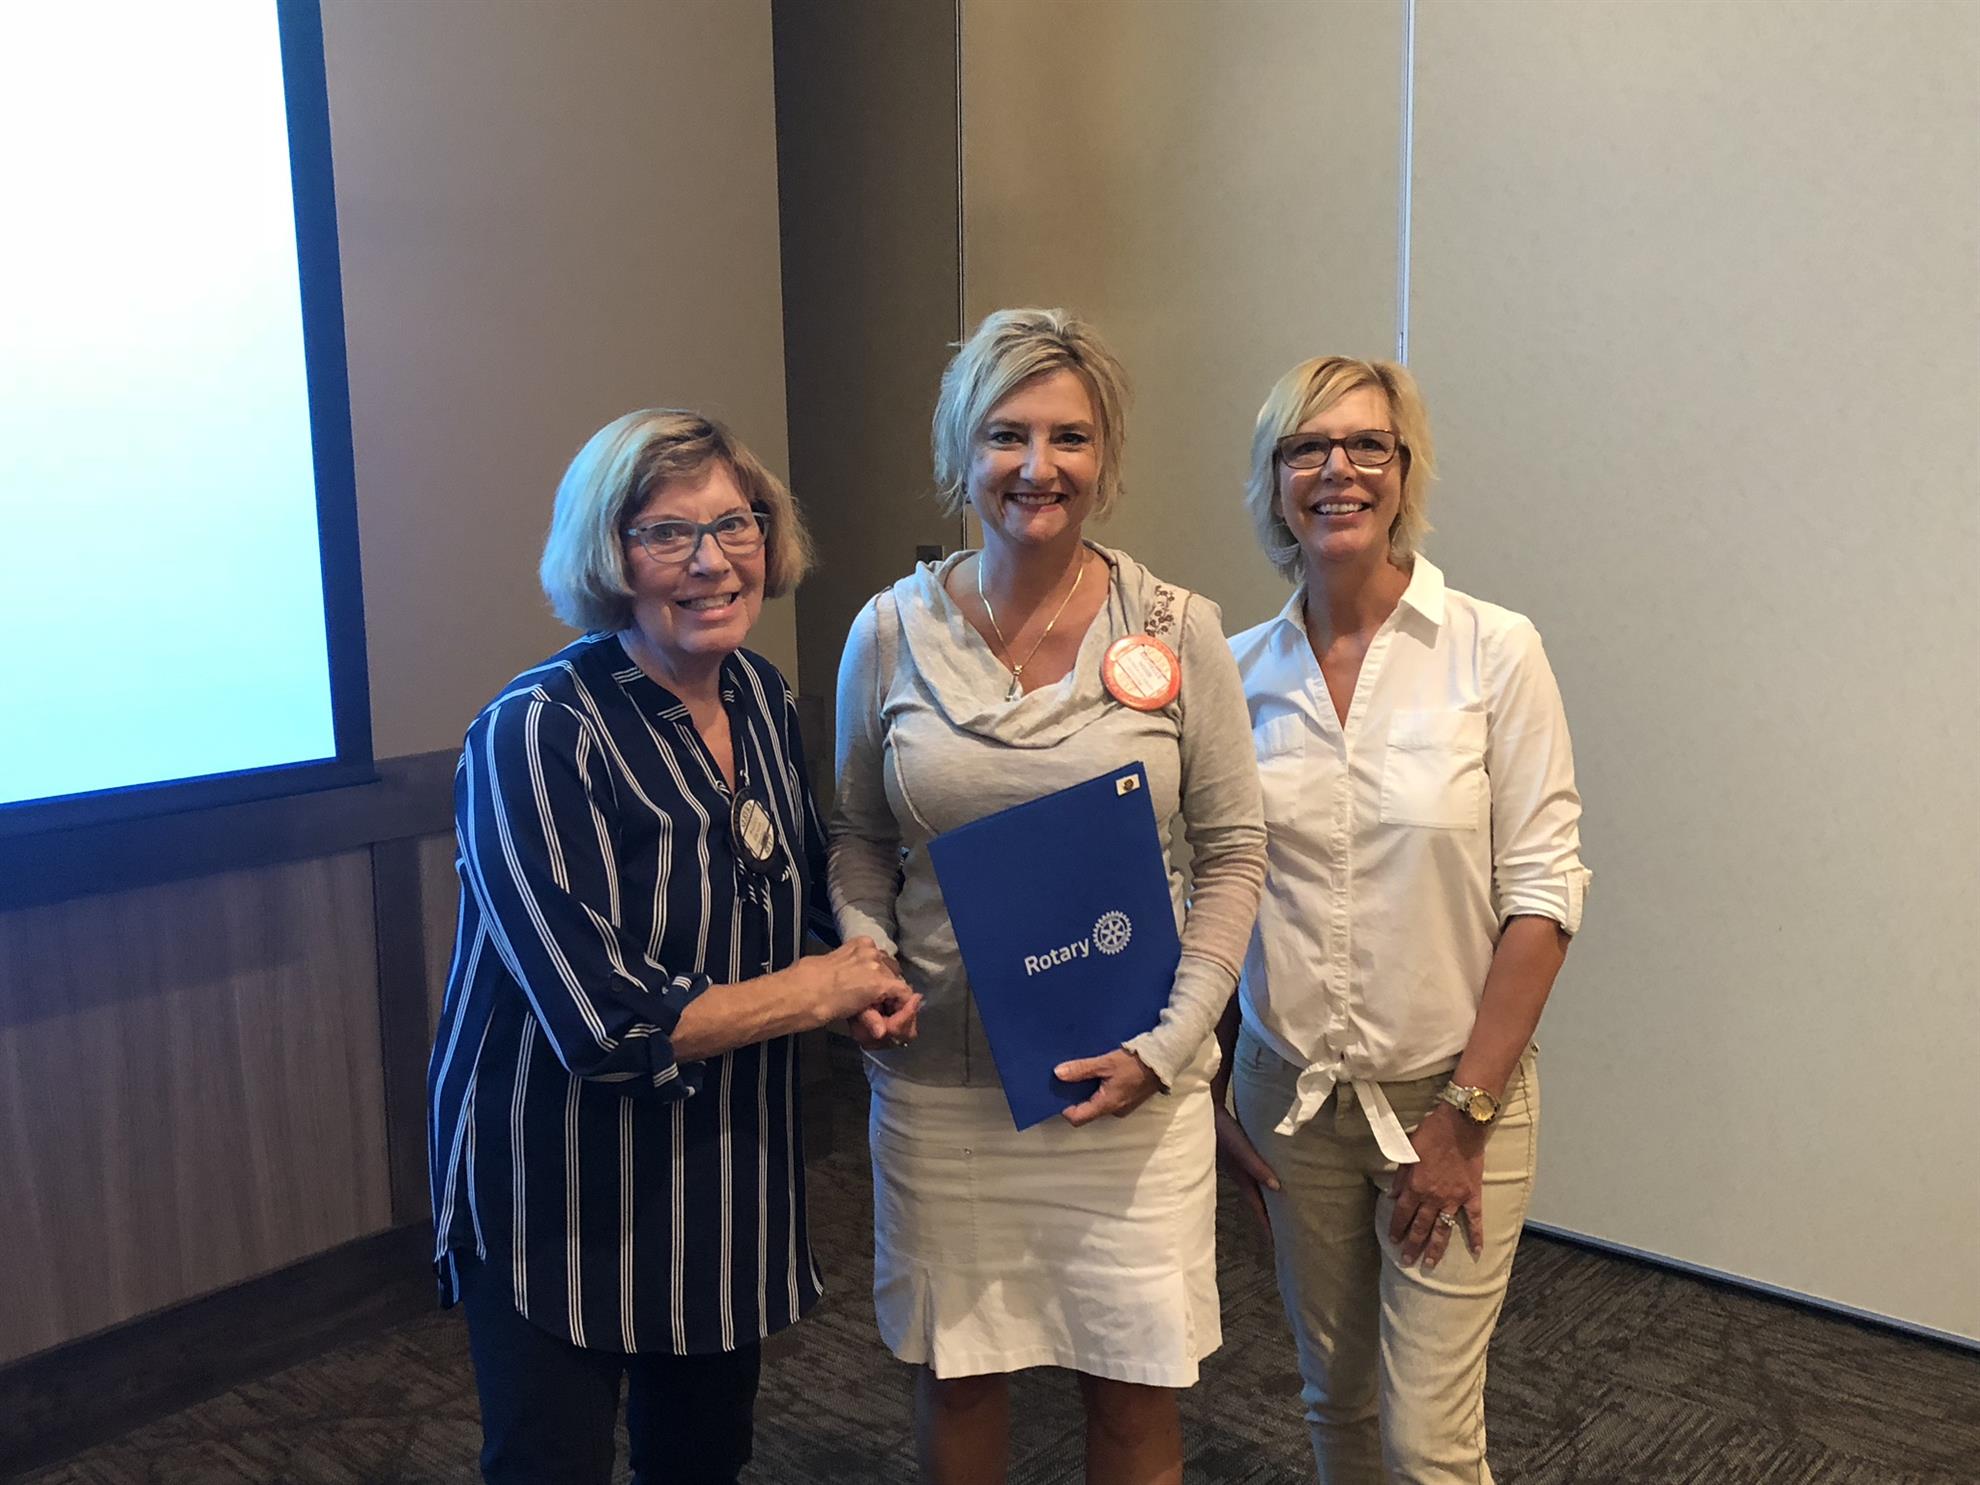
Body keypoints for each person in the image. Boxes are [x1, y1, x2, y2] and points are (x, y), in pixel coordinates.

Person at [425, 409, 919, 1485]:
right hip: (559, 1185)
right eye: (665, 533)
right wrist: (816, 991)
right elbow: (602, 1022)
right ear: (608, 555)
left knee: (701, 1459)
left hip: (723, 1167)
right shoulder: (536, 732)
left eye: (736, 524)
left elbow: (794, 886)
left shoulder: (759, 694)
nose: (711, 561)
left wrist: (864, 970)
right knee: (550, 1466)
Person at [830, 308, 1267, 1485]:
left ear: (1105, 455)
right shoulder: (888, 632)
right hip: (943, 1089)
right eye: (1006, 434)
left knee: (1131, 1393)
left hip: (1131, 1093)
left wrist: (1171, 1046)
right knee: (961, 1382)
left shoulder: (1179, 630)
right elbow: (859, 836)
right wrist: (867, 957)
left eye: (1069, 436)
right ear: (961, 451)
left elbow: (1234, 851)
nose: (1038, 466)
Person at [1215, 357, 1590, 1483]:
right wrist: (1212, 1081)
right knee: (1333, 1402)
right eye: (1305, 448)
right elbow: (1214, 889)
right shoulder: (1233, 673)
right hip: (1288, 1100)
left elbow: (1544, 895)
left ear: (1403, 470)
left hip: (1455, 1098)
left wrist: (1464, 1120)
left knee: (1428, 1442)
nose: (1337, 469)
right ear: (1275, 480)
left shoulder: (1493, 649)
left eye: (1366, 445)